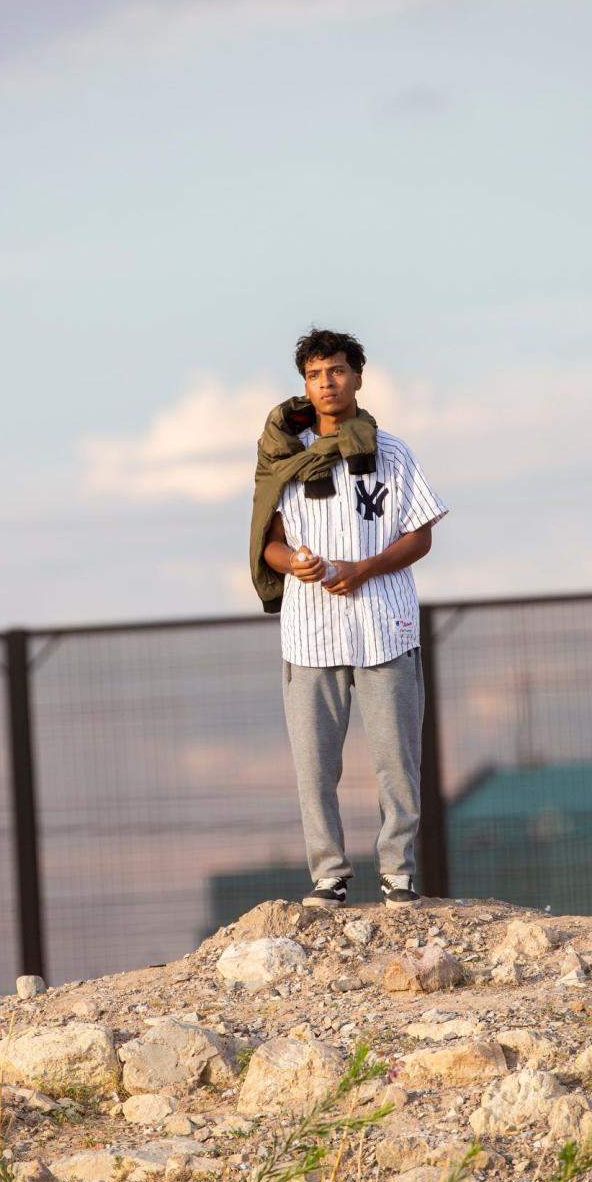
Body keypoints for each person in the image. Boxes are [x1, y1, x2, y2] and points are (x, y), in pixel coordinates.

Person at [250, 329, 448, 908]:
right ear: (304, 386)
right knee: (315, 769)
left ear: (358, 376)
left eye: (336, 371)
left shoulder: (393, 453)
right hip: (310, 635)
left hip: (386, 626)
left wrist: (366, 568)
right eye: (314, 375)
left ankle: (400, 873)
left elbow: (421, 535)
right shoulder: (283, 457)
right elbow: (269, 543)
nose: (327, 383)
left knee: (396, 762)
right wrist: (296, 563)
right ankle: (329, 876)